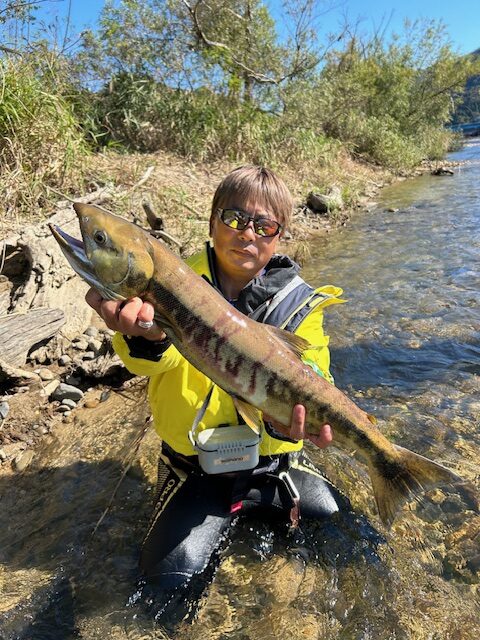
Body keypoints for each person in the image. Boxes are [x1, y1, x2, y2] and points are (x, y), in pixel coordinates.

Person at [86, 165, 347, 617]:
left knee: (347, 536)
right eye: (234, 219)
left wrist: (287, 425)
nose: (248, 233)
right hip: (194, 472)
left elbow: (315, 374)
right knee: (163, 591)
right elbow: (156, 360)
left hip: (273, 465)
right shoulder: (171, 286)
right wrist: (146, 336)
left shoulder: (302, 306)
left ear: (278, 237)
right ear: (211, 223)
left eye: (265, 225)